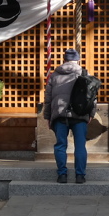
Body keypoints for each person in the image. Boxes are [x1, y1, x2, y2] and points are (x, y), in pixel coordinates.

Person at [43, 48, 91, 183]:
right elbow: (92, 96)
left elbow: (48, 97)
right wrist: (91, 113)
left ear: (64, 59)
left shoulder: (54, 75)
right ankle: (80, 176)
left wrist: (47, 117)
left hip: (59, 114)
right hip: (80, 115)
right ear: (78, 59)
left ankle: (62, 175)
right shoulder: (84, 73)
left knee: (60, 145)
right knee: (80, 146)